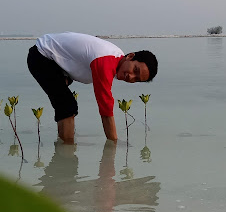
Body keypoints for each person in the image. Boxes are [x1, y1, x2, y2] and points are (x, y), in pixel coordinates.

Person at [27, 32, 158, 144]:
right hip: (41, 56)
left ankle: (63, 145)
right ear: (130, 56)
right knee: (67, 106)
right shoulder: (106, 61)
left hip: (58, 65)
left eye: (136, 79)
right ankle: (66, 149)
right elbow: (105, 106)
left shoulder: (117, 58)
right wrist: (114, 144)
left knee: (65, 104)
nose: (131, 77)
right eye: (135, 70)